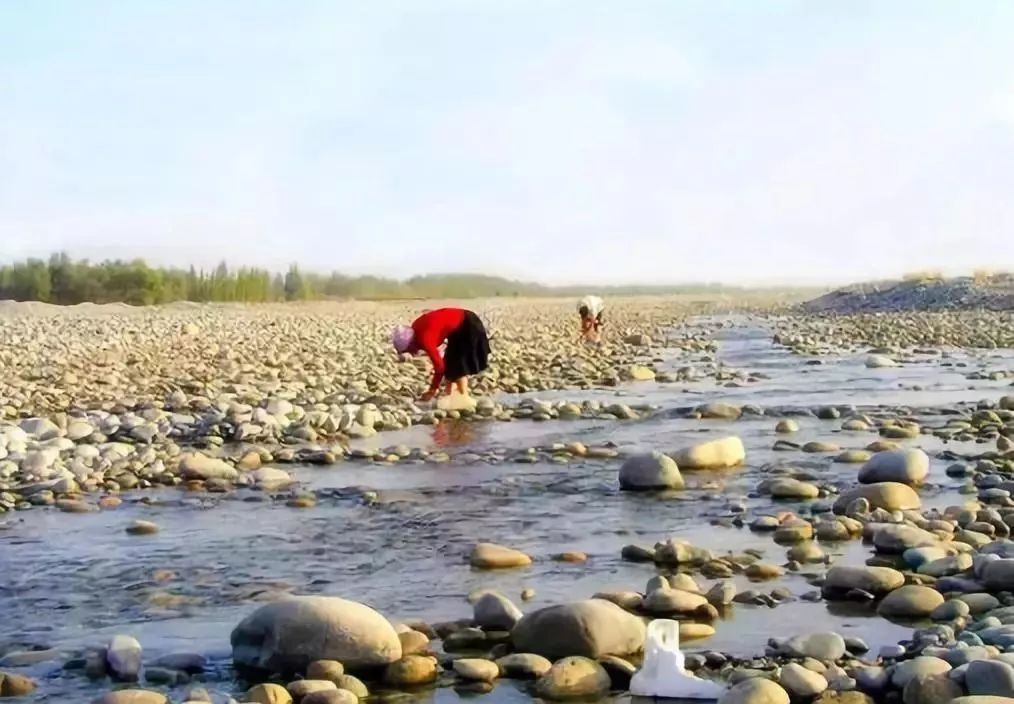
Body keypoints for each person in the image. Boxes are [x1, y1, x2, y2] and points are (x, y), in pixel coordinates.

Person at [392, 307, 490, 402]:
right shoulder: (415, 329)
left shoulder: (425, 339)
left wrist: (432, 390)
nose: (411, 353)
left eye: (408, 350)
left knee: (460, 367)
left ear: (411, 343)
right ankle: (450, 396)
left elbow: (439, 367)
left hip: (468, 324)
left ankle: (463, 398)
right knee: (450, 363)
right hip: (456, 328)